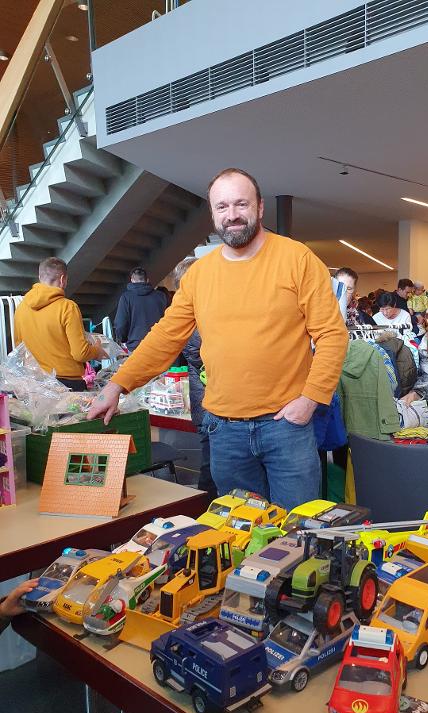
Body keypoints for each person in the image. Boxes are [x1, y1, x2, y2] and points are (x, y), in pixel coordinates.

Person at [87, 168, 348, 510]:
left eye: (241, 204)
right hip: (225, 432)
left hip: (286, 427)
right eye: (222, 207)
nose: (233, 215)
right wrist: (117, 384)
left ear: (260, 208)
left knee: (297, 537)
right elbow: (166, 336)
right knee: (240, 534)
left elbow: (331, 334)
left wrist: (310, 399)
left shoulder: (297, 259)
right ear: (212, 213)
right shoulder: (199, 275)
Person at [13, 257, 106, 391]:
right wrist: (97, 350)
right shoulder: (68, 307)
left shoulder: (21, 308)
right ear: (63, 279)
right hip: (67, 385)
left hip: (35, 385)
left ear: (40, 277)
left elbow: (20, 349)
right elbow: (80, 353)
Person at [173, 256, 217, 497]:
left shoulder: (201, 309)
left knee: (215, 461)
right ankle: (207, 510)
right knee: (211, 464)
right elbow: (199, 354)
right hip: (207, 401)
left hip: (207, 400)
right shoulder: (189, 314)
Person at [114, 268, 168, 352]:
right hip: (159, 343)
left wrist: (122, 339)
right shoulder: (161, 296)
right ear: (147, 280)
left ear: (132, 280)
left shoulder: (126, 297)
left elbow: (121, 323)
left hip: (136, 345)